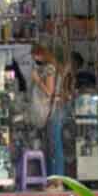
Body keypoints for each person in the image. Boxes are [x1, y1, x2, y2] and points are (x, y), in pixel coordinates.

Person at [29, 44, 68, 179]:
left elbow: (49, 92)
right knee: (52, 146)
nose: (34, 59)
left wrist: (37, 80)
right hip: (53, 110)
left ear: (40, 55)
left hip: (53, 111)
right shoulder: (52, 67)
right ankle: (53, 179)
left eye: (34, 56)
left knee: (55, 146)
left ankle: (58, 180)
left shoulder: (50, 69)